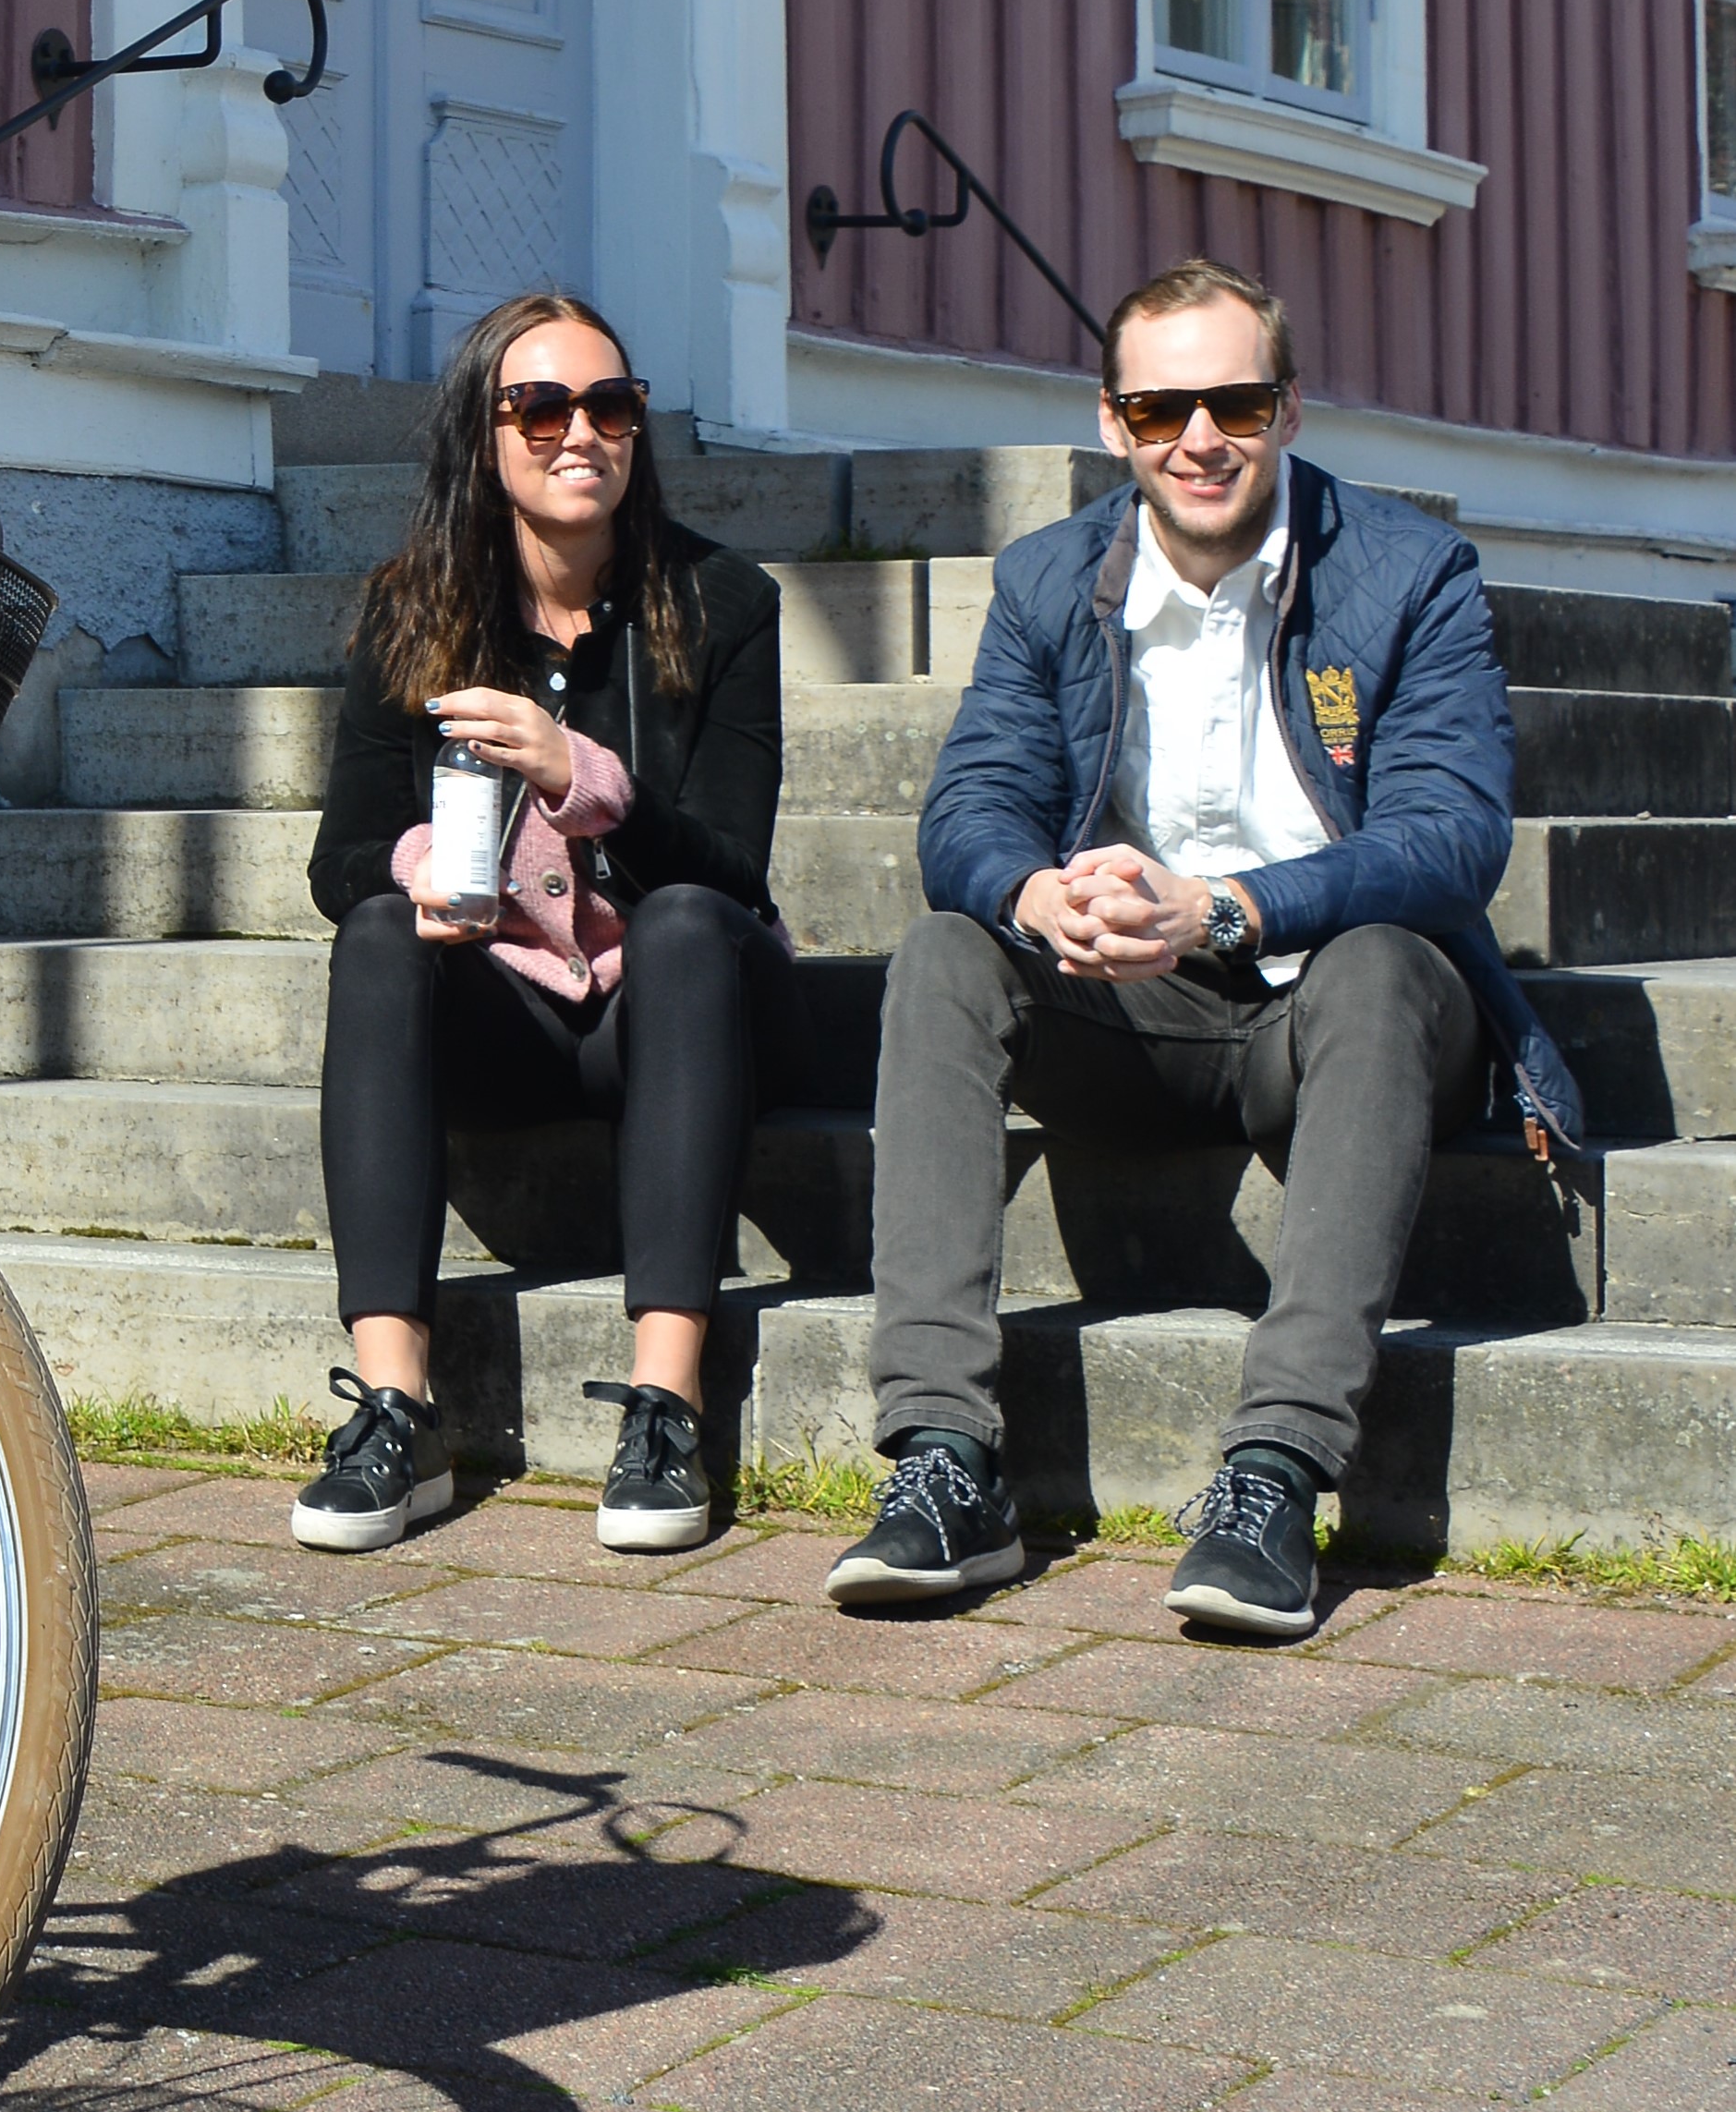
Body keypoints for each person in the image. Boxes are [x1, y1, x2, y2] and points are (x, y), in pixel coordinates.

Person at [828, 254, 1585, 1639]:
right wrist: (1039, 896)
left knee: (1377, 957)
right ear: (1111, 421)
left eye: (1234, 402)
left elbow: (1452, 836)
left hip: (1340, 1012)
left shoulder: (1408, 571)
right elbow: (970, 808)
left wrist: (1226, 906)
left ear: (1287, 408)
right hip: (1140, 1011)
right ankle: (944, 1460)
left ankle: (1274, 1474)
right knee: (946, 950)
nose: (1198, 438)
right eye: (1159, 407)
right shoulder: (1050, 577)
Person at [292, 293, 792, 1555]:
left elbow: (735, 869)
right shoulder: (411, 610)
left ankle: (667, 1405)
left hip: (671, 1014)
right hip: (502, 1018)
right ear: (485, 432)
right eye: (540, 407)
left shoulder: (725, 602)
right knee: (372, 936)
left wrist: (586, 778)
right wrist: (422, 870)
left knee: (685, 923)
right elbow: (338, 860)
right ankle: (396, 1409)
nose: (580, 433)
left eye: (609, 406)